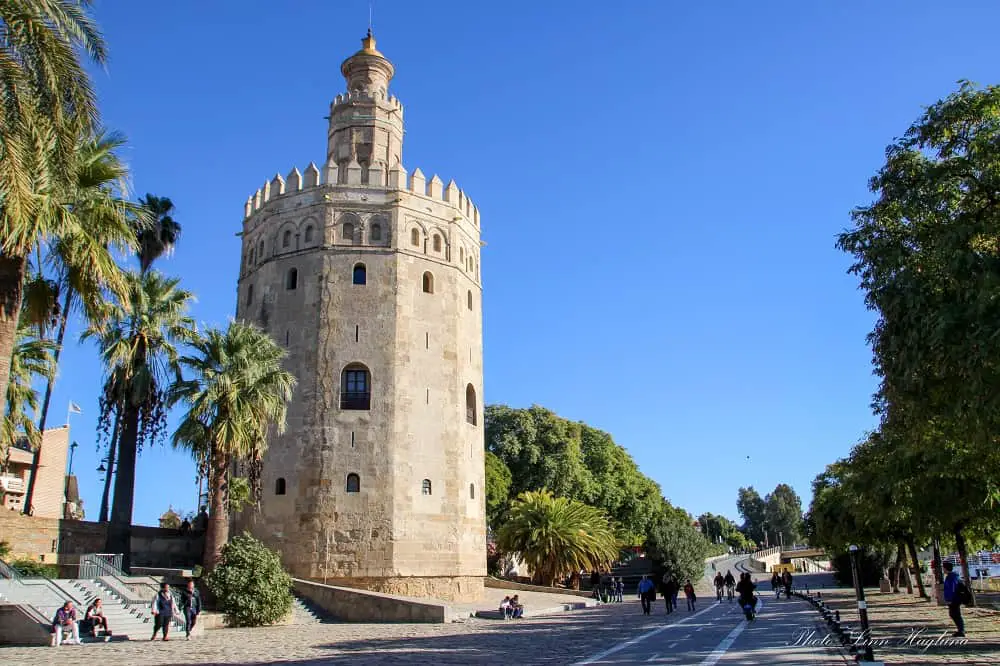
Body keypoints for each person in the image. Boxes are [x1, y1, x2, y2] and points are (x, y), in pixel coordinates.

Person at [942, 562, 967, 637]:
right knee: (954, 614)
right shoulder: (952, 576)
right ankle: (960, 630)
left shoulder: (951, 577)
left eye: (943, 568)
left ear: (946, 568)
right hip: (955, 598)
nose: (943, 569)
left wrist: (950, 599)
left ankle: (961, 630)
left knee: (955, 614)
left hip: (954, 599)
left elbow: (951, 589)